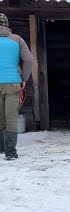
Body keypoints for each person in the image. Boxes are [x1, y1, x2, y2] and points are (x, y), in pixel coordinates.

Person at [0, 13, 33, 160]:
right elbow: (29, 60)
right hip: (13, 83)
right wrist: (24, 78)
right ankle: (10, 152)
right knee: (11, 116)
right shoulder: (17, 39)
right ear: (7, 25)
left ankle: (1, 148)